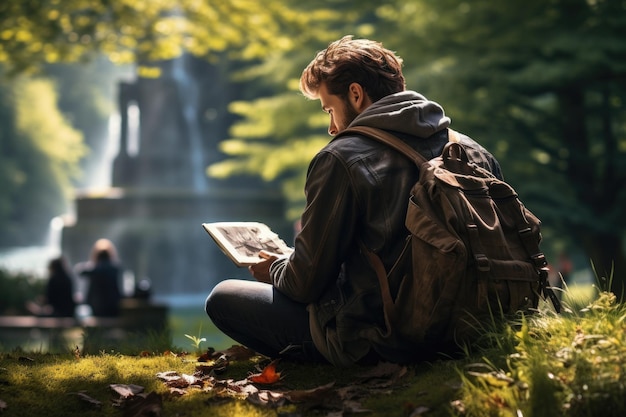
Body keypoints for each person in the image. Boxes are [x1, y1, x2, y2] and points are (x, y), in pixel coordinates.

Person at [205, 36, 503, 367]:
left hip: (382, 339)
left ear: (356, 95)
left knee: (223, 298)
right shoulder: (470, 150)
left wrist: (275, 267)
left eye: (329, 109)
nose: (332, 127)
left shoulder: (342, 158)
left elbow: (304, 285)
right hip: (471, 327)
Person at [76, 238, 122, 317]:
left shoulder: (94, 269)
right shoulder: (115, 268)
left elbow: (80, 271)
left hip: (97, 305)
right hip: (113, 304)